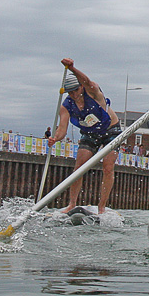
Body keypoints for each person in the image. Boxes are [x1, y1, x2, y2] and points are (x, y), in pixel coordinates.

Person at [47, 58, 121, 213]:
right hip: (90, 132)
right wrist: (55, 138)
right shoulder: (66, 106)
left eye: (76, 90)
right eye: (70, 92)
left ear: (81, 86)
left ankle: (102, 207)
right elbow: (62, 129)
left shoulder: (92, 90)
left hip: (111, 130)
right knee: (79, 167)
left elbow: (86, 80)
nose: (74, 94)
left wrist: (72, 68)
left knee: (108, 167)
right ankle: (72, 204)